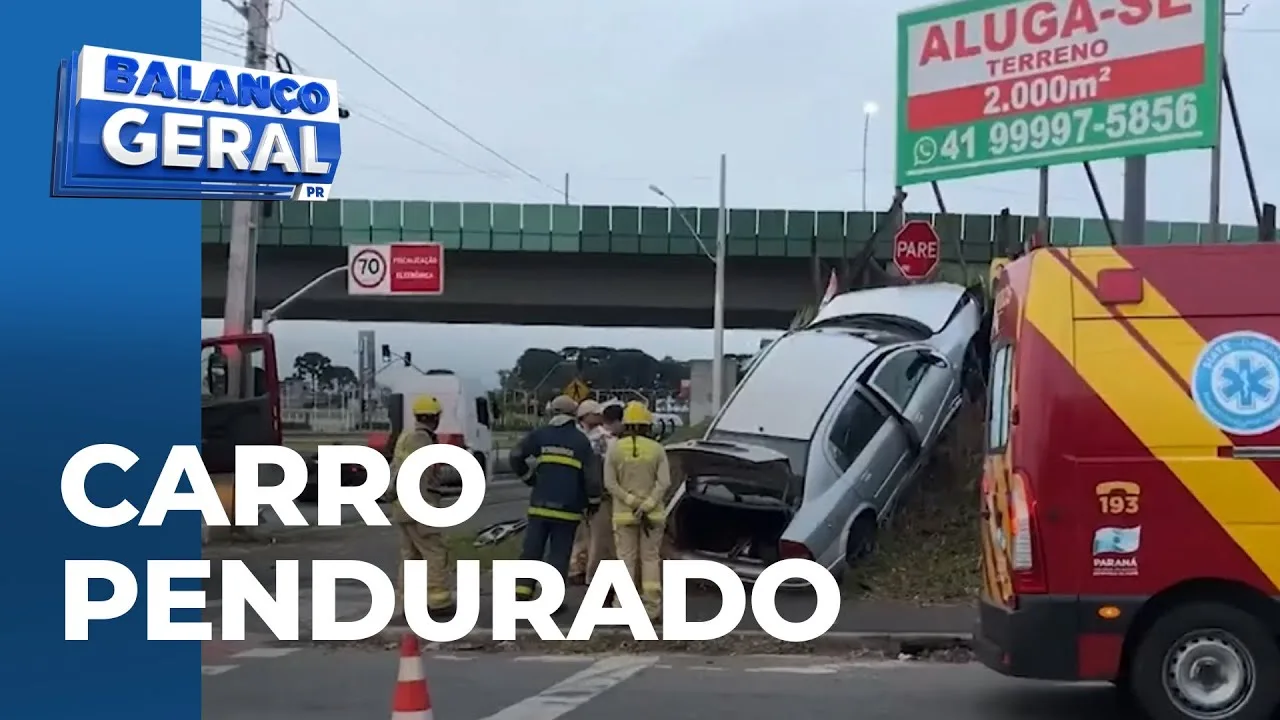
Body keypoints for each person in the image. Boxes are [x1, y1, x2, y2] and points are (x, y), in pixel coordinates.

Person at [509, 395, 602, 608]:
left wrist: (529, 478)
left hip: (540, 504)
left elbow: (515, 455)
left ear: (552, 413)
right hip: (568, 509)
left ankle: (522, 592)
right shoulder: (580, 441)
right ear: (573, 416)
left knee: (532, 549)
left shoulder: (540, 435)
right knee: (559, 554)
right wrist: (593, 501)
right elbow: (591, 477)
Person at [390, 394, 460, 621]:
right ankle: (438, 602)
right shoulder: (422, 439)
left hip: (402, 507)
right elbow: (422, 475)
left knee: (410, 555)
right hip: (419, 507)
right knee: (435, 552)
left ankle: (407, 603)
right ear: (435, 418)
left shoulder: (406, 436)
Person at [604, 401, 671, 621]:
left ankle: (622, 606)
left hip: (624, 515)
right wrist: (647, 504)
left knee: (626, 560)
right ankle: (652, 608)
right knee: (650, 560)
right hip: (652, 516)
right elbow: (664, 483)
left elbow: (610, 484)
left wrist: (631, 501)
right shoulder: (657, 449)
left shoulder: (614, 449)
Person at [568, 399, 605, 584]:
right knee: (579, 533)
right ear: (585, 416)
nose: (599, 417)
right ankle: (576, 567)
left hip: (593, 490)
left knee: (595, 535)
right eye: (595, 413)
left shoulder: (602, 436)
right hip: (575, 490)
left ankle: (589, 570)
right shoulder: (574, 435)